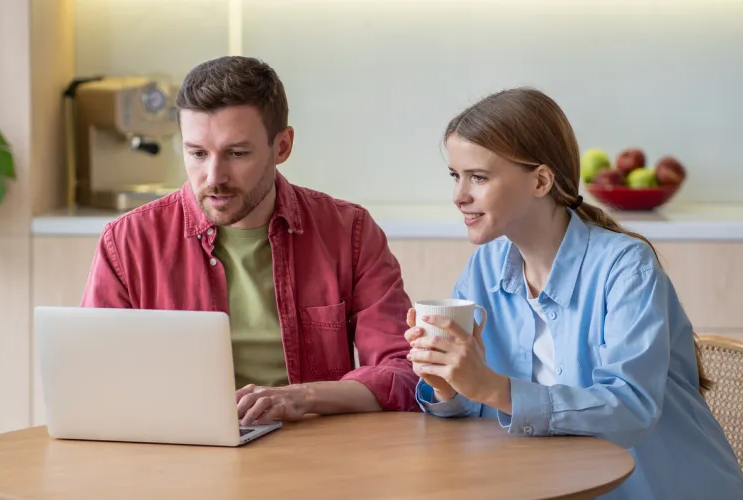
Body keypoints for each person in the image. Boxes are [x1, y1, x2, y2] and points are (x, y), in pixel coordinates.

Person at [404, 87, 743, 499]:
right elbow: (481, 408)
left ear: (540, 181)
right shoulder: (485, 268)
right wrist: (446, 384)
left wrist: (494, 387)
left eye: (478, 177)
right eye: (455, 176)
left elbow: (631, 409)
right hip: (551, 484)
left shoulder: (625, 267)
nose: (459, 196)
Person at [82, 56, 419, 425]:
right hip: (178, 447)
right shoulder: (128, 241)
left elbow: (403, 370)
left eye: (236, 153)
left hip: (314, 445)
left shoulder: (348, 231)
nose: (214, 177)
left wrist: (303, 397)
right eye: (197, 154)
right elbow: (94, 378)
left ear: (282, 146)